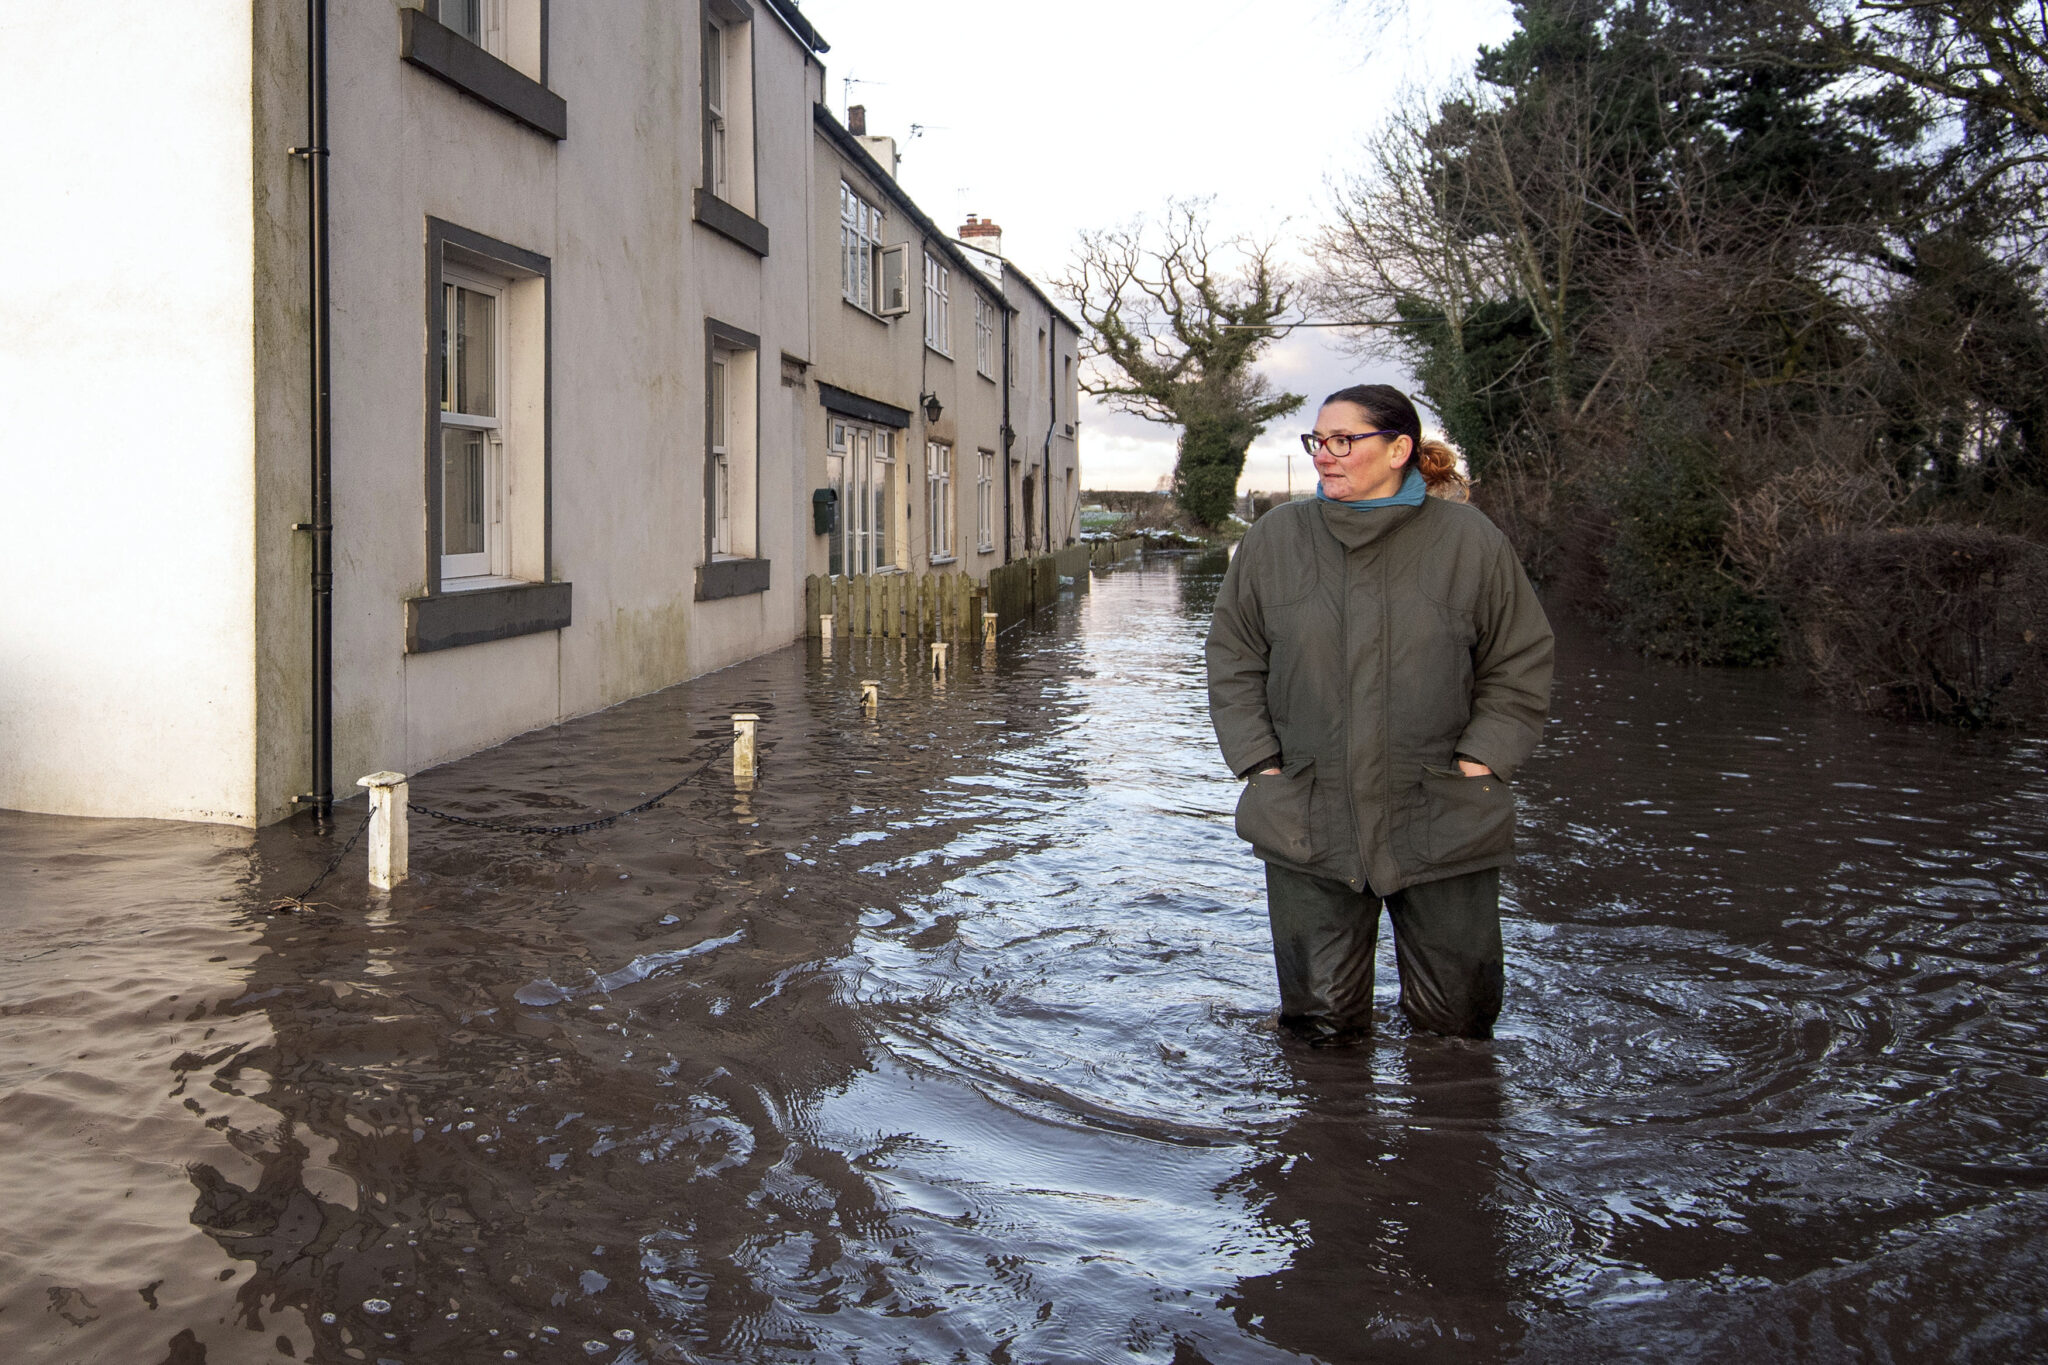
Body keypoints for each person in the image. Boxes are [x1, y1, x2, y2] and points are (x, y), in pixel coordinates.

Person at [1205, 384, 1553, 1042]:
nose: (1324, 456)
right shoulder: (1275, 540)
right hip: (1307, 814)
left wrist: (1481, 761)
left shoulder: (1471, 543)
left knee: (1458, 1027)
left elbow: (1521, 657)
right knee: (1318, 1032)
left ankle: (1457, 1141)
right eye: (1317, 441)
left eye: (1343, 440)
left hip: (1445, 814)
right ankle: (1330, 1140)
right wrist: (1262, 765)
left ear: (1399, 449)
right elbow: (1233, 657)